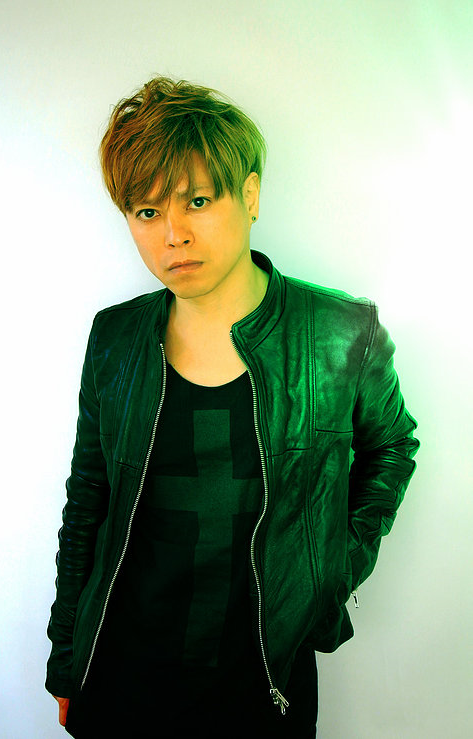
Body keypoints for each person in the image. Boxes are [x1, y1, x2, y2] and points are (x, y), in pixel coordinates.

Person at [45, 76, 420, 738]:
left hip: (261, 684)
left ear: (249, 195)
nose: (174, 235)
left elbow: (391, 446)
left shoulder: (340, 334)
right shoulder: (115, 337)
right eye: (147, 212)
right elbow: (87, 500)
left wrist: (334, 565)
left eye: (196, 200)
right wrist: (66, 657)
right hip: (121, 675)